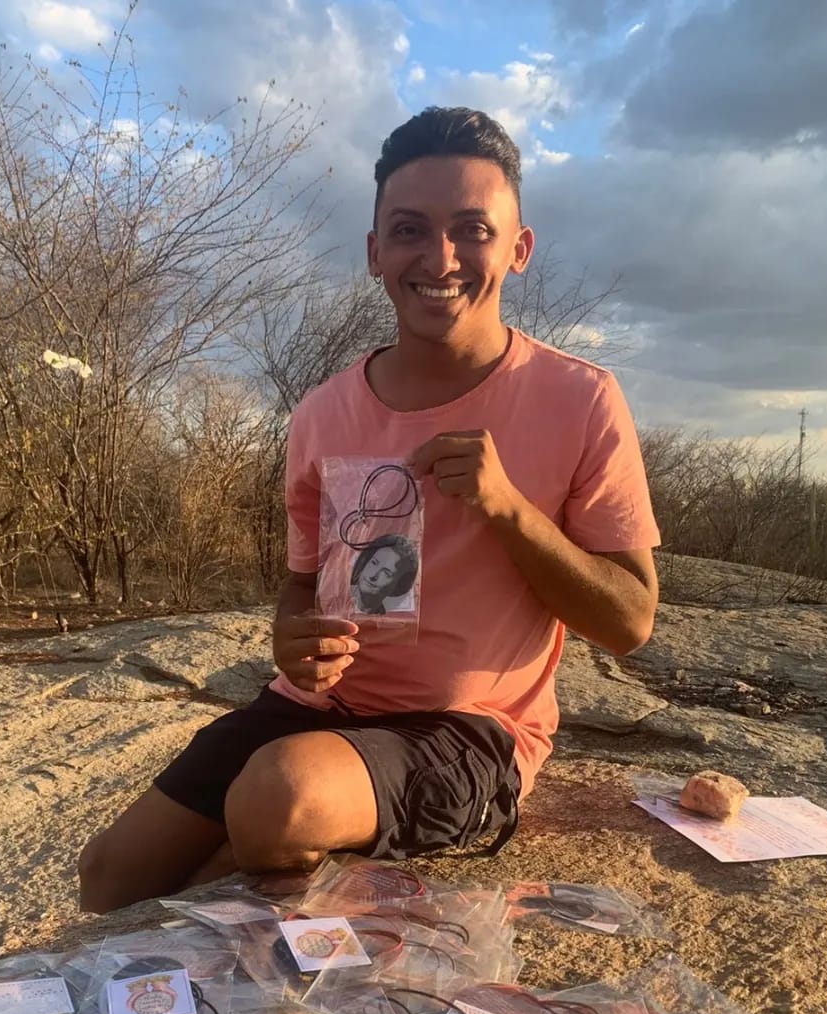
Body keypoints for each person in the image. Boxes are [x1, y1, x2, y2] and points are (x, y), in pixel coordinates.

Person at [78, 106, 660, 913]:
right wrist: (293, 641)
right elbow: (302, 585)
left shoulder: (580, 399)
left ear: (518, 249)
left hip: (468, 731)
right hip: (319, 711)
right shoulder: (323, 412)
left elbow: (630, 620)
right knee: (110, 877)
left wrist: (510, 510)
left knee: (276, 801)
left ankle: (231, 921)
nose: (440, 258)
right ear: (375, 253)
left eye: (472, 230)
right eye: (410, 230)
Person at [349, 535, 419, 614]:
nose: (373, 576)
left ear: (397, 585)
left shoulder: (392, 616)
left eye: (386, 573)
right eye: (374, 563)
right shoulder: (340, 600)